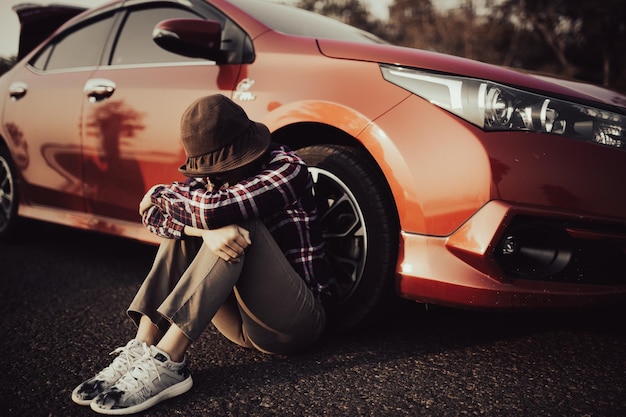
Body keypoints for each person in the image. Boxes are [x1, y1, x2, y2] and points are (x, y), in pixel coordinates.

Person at [71, 94, 331, 415]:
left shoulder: (287, 167)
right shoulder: (210, 177)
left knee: (233, 219)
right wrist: (203, 231)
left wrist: (159, 192)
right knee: (193, 228)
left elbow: (211, 209)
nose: (213, 178)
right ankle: (145, 345)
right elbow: (156, 220)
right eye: (211, 171)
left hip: (294, 323)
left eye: (225, 168)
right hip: (240, 324)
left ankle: (170, 360)